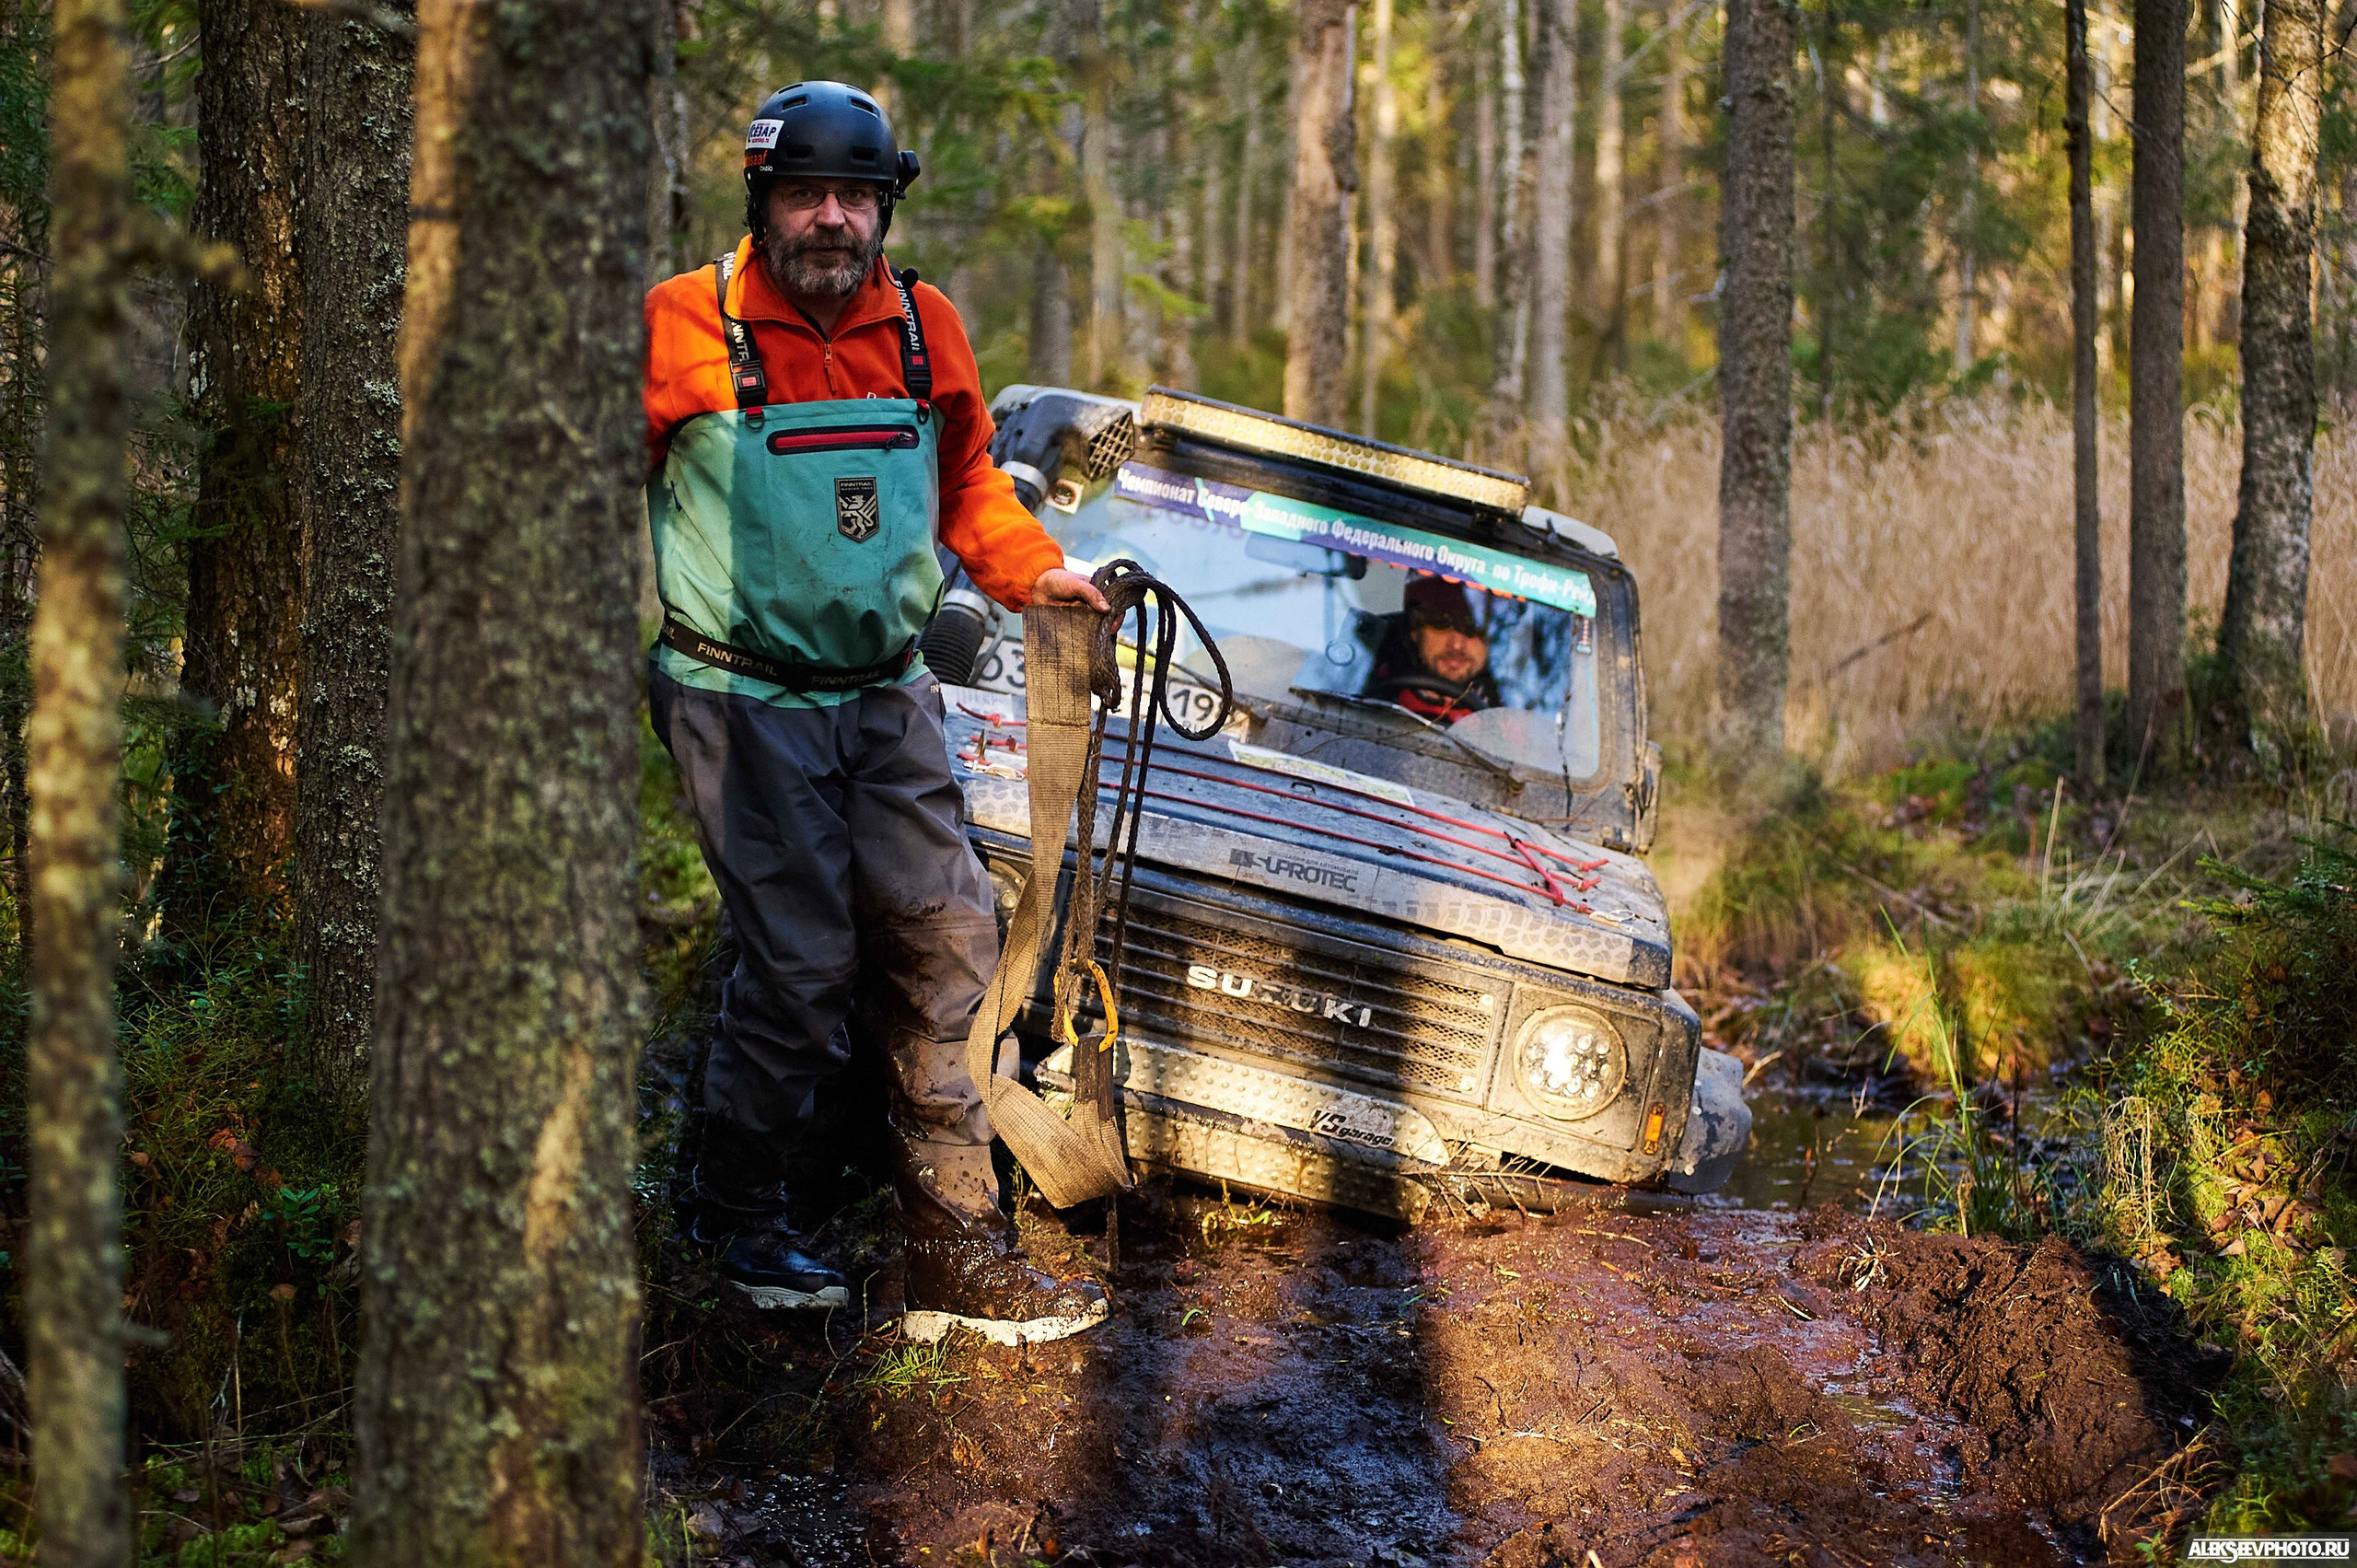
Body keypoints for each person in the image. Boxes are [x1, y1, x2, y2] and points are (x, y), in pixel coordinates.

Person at [641, 81, 1113, 1342]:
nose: (834, 220)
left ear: (886, 205)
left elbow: (969, 490)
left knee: (952, 940)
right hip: (736, 696)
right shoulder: (681, 325)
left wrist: (1039, 572)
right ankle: (734, 1216)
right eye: (808, 195)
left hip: (883, 692)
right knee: (800, 966)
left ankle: (953, 1245)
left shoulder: (927, 325)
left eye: (859, 197)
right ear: (763, 200)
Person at [1364, 575, 1502, 722]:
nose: (1456, 644)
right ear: (1415, 627)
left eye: (1474, 626)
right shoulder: (1362, 681)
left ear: (1493, 636)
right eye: (1440, 621)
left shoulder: (1516, 708)